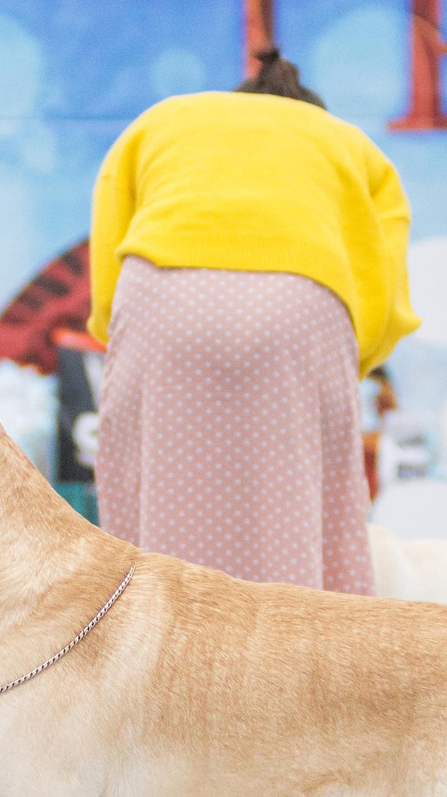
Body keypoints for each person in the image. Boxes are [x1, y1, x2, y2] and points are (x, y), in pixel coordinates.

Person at [88, 50, 416, 592]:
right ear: (310, 109)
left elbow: (108, 252)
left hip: (161, 297)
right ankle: (303, 658)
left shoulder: (165, 119)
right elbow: (381, 281)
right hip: (300, 301)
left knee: (150, 498)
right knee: (306, 507)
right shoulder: (347, 141)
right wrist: (351, 367)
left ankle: (150, 653)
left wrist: (120, 338)